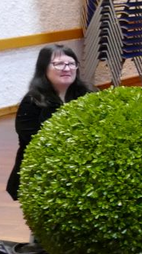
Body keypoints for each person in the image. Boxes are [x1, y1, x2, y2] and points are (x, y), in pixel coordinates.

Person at [6, 44, 94, 200]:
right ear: (44, 68)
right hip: (43, 169)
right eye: (59, 64)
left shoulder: (88, 94)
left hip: (82, 167)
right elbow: (32, 139)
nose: (67, 68)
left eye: (71, 63)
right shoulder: (32, 101)